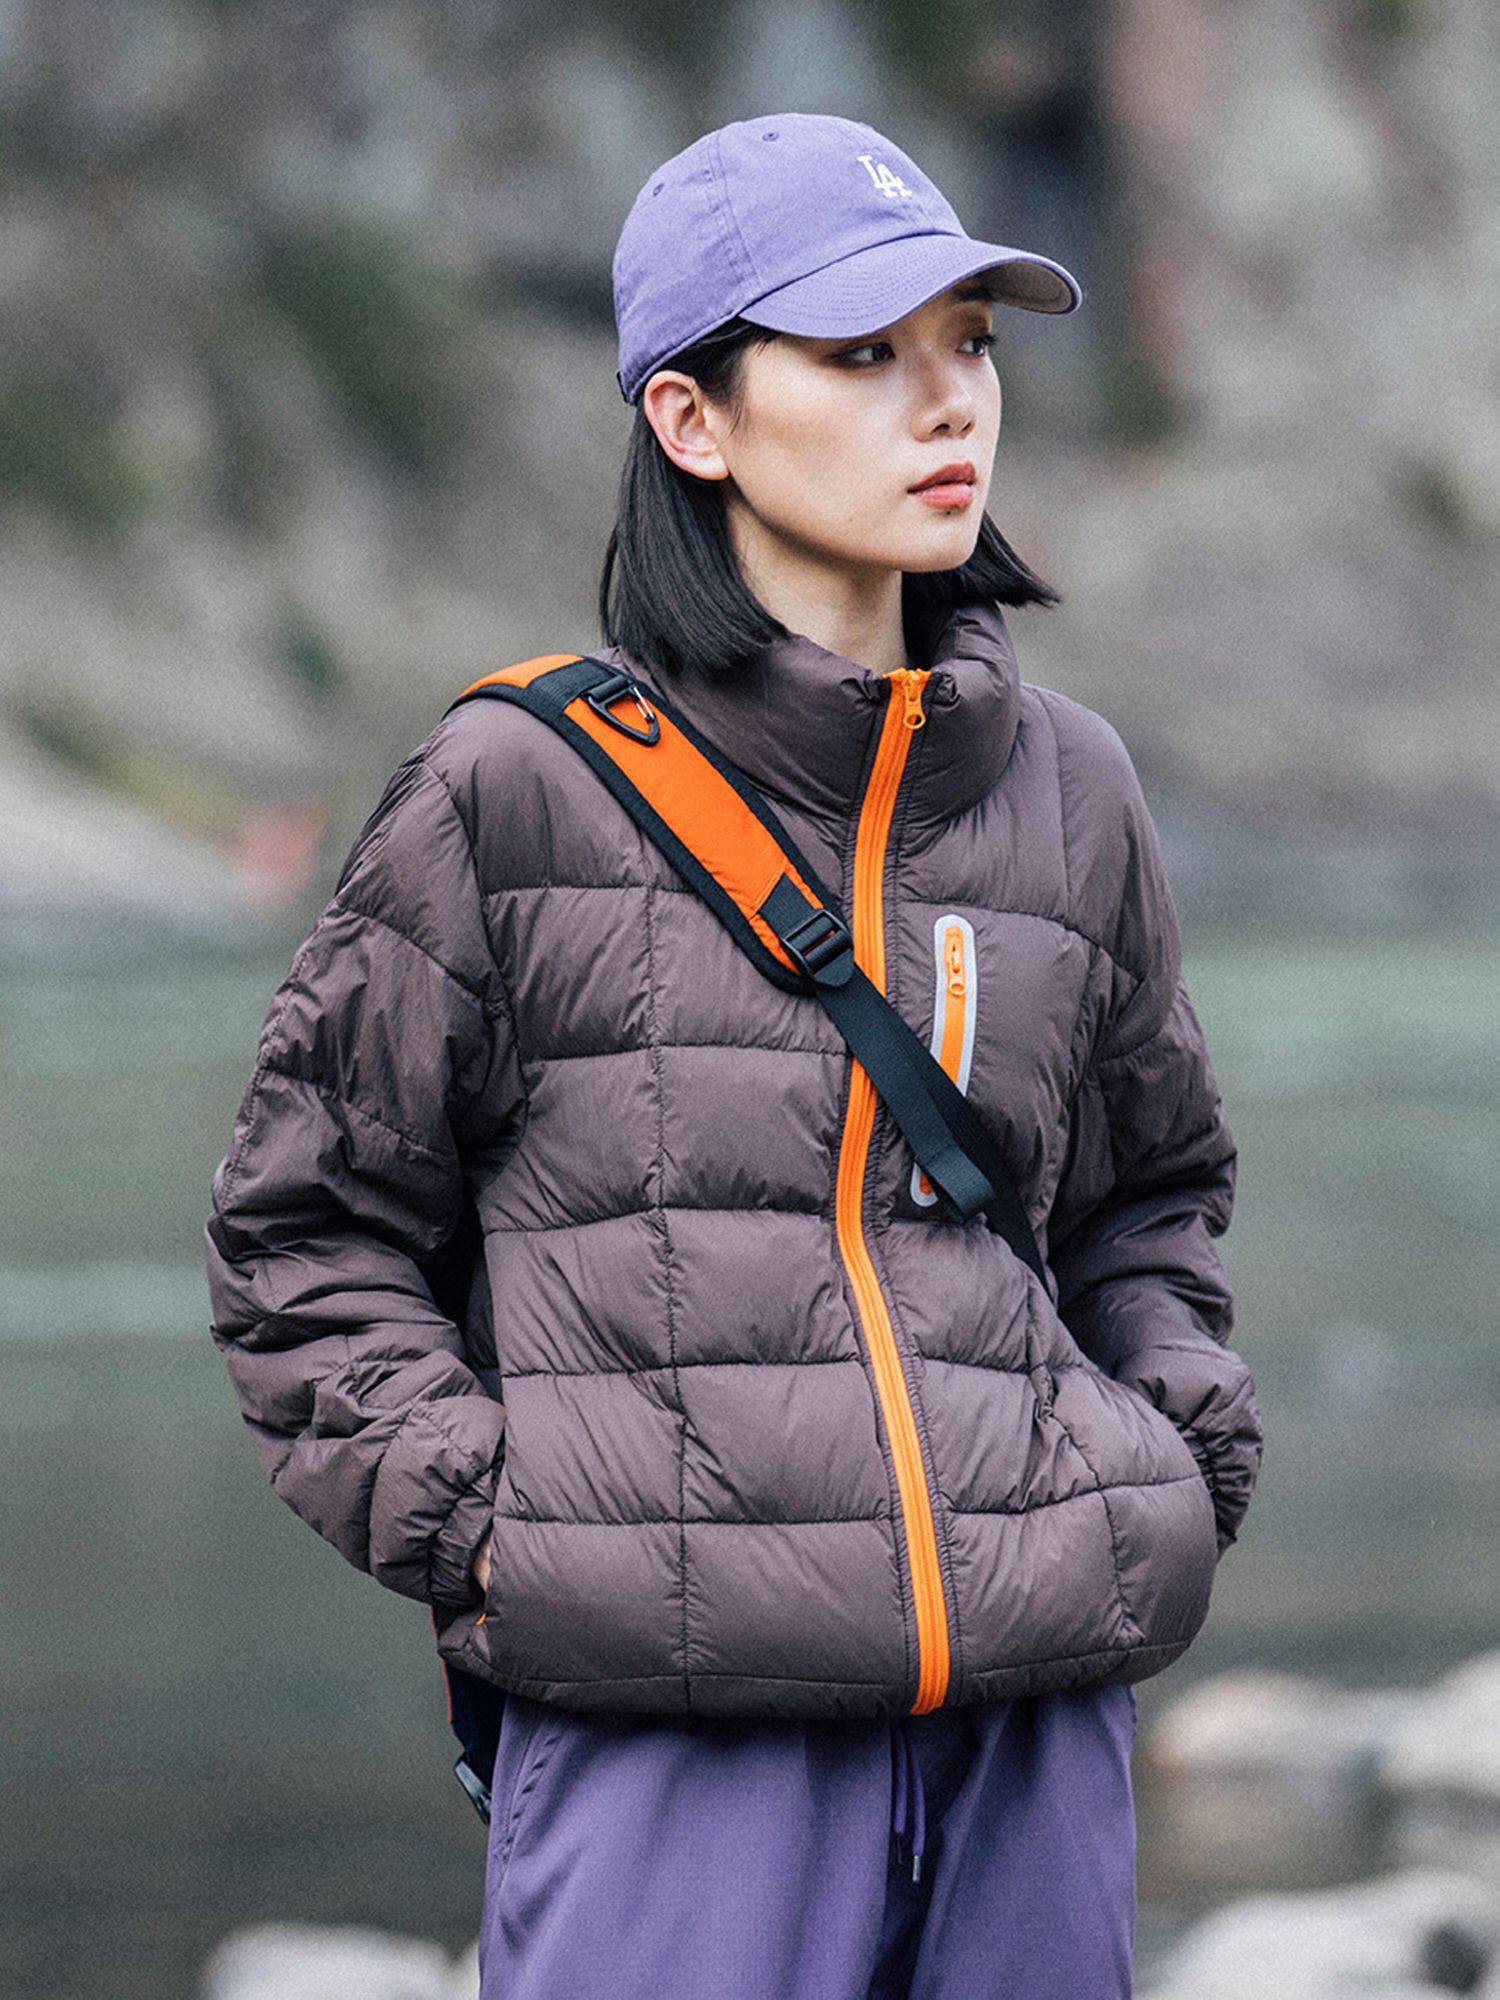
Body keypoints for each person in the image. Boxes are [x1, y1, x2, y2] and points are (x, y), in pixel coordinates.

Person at [205, 112, 1263, 2000]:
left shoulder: (1072, 788)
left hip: (1037, 1717)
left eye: (969, 344)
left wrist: (1170, 1457)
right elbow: (305, 1236)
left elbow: (1152, 1197)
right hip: (674, 1726)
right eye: (862, 353)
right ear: (692, 421)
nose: (946, 402)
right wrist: (498, 1532)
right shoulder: (513, 790)